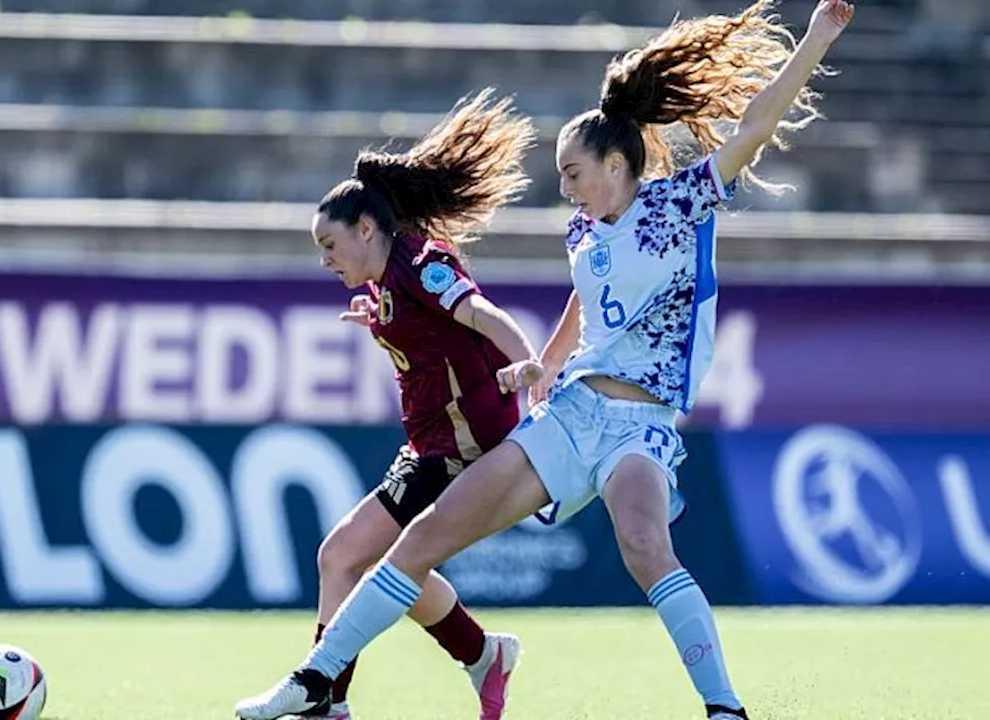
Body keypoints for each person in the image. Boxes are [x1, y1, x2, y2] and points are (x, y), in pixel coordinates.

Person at [235, 1, 855, 719]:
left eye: (572, 173)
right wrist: (546, 364)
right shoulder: (582, 231)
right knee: (425, 536)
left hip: (639, 424)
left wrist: (818, 36)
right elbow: (583, 302)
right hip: (571, 413)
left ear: (616, 163)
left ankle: (724, 708)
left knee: (645, 546)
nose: (565, 189)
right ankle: (316, 681)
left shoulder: (683, 202)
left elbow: (755, 126)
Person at [299, 88, 541, 720]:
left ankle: (324, 702)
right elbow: (425, 333)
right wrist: (379, 321)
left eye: (330, 245)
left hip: (461, 449)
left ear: (367, 228)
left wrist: (525, 362)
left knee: (342, 556)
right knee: (378, 561)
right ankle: (481, 653)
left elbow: (482, 314)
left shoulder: (421, 263)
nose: (325, 260)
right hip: (431, 447)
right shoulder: (387, 283)